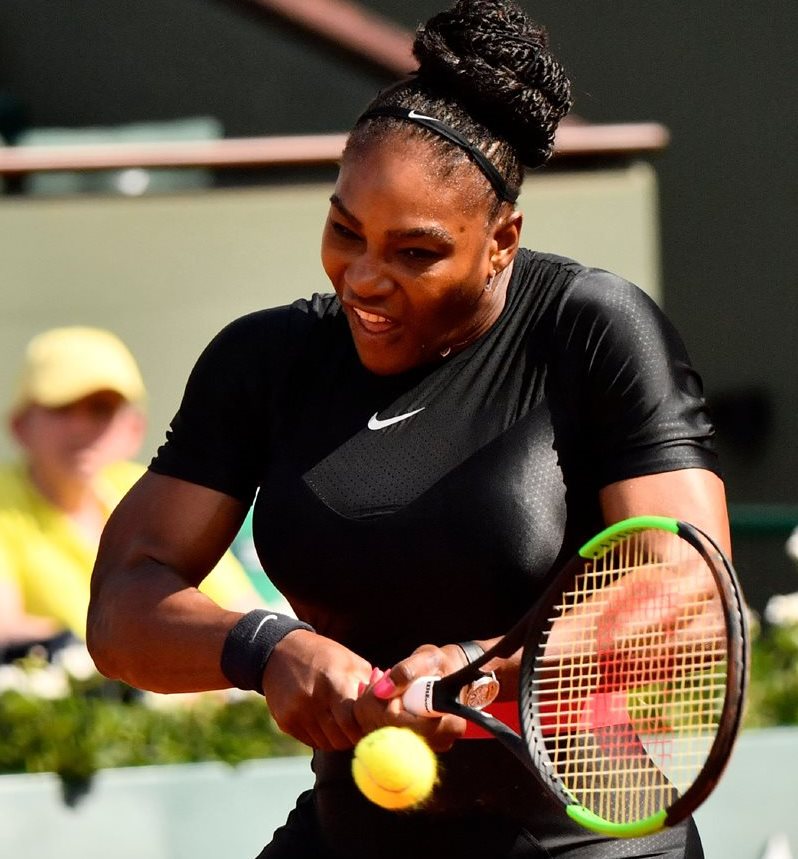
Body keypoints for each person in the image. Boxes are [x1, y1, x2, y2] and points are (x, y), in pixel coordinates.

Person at [87, 1, 729, 856]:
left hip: (583, 839)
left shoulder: (591, 328)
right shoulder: (265, 360)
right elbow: (123, 606)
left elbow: (691, 594)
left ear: (501, 241)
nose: (365, 277)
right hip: (355, 831)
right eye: (345, 230)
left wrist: (480, 669)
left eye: (414, 252)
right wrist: (266, 647)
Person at [0, 325, 262, 663]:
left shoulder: (148, 488)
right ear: (20, 426)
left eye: (100, 409)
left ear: (133, 430)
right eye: (61, 409)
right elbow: (6, 627)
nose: (80, 429)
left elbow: (241, 606)